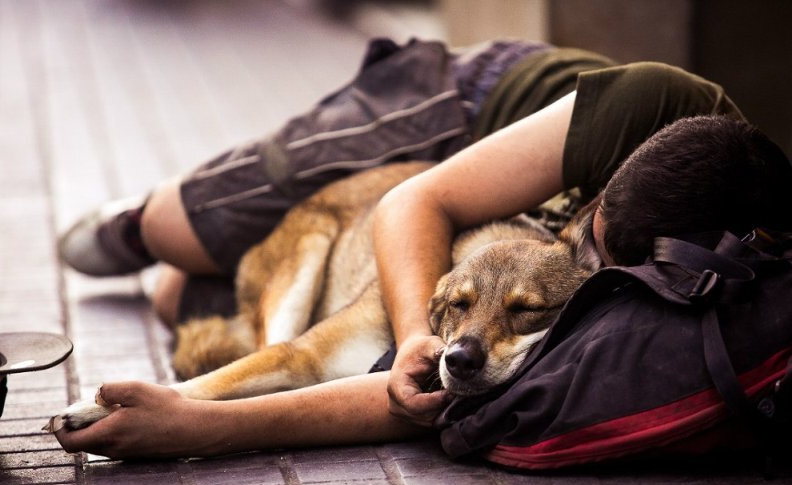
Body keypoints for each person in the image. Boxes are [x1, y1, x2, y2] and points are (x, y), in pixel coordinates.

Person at [53, 38, 792, 459]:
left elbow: (418, 404)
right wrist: (416, 335)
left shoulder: (721, 287)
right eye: (590, 236)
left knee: (175, 295)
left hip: (497, 240)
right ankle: (137, 220)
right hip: (462, 112)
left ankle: (197, 265)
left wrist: (197, 425)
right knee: (177, 227)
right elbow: (417, 202)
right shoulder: (649, 100)